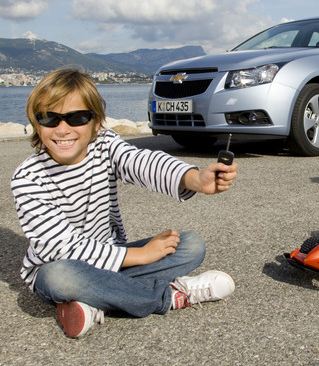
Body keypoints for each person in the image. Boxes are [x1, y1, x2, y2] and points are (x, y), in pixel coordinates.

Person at [11, 68, 239, 338]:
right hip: (58, 266)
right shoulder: (27, 178)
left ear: (96, 123)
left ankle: (94, 300)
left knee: (191, 245)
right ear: (36, 123)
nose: (63, 129)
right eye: (49, 118)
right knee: (61, 277)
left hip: (112, 256)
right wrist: (139, 255)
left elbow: (143, 163)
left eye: (77, 117)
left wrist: (194, 179)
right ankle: (169, 296)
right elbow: (59, 248)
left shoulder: (105, 146)